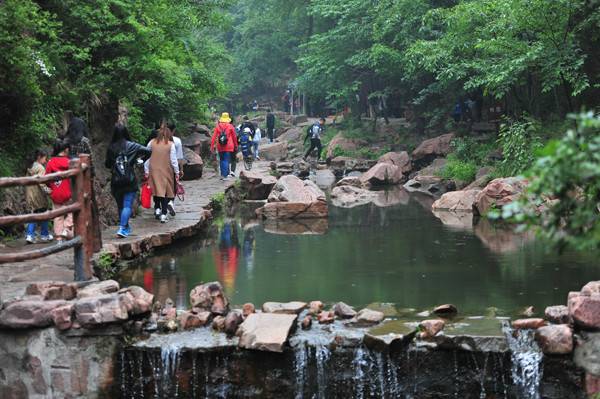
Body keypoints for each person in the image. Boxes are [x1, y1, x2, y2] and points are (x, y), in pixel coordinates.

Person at [105, 124, 151, 238]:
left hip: (116, 181)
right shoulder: (132, 146)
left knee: (121, 206)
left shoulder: (111, 147)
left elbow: (107, 164)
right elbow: (148, 150)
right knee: (127, 205)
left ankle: (125, 227)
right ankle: (122, 228)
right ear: (126, 133)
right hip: (129, 180)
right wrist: (139, 160)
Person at [145, 124, 180, 223]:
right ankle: (164, 215)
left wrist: (146, 170)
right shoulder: (170, 145)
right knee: (165, 192)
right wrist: (177, 172)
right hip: (166, 171)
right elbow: (173, 160)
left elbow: (147, 155)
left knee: (156, 189)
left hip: (153, 169)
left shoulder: (152, 142)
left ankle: (157, 209)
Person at [45, 141, 73, 241]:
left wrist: (51, 187)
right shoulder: (69, 162)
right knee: (72, 212)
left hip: (55, 193)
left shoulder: (50, 162)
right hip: (68, 192)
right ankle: (66, 228)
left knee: (58, 216)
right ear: (66, 149)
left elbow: (47, 178)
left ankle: (59, 238)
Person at [25, 150, 52, 244]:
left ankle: (29, 235)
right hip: (39, 196)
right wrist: (50, 192)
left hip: (30, 195)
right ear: (40, 157)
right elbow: (42, 183)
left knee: (32, 215)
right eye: (45, 158)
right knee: (44, 214)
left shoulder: (30, 166)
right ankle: (44, 235)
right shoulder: (41, 168)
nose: (46, 160)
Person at [210, 113, 237, 180]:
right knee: (226, 160)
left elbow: (214, 137)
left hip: (220, 145)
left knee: (222, 160)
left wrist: (212, 146)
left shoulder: (218, 126)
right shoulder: (230, 126)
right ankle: (225, 175)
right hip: (229, 146)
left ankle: (223, 174)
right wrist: (235, 145)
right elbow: (234, 137)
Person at [167, 123, 185, 216]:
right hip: (172, 167)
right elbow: (179, 157)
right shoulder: (177, 141)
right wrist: (181, 169)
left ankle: (159, 207)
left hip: (160, 167)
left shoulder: (157, 140)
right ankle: (170, 202)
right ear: (173, 130)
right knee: (173, 185)